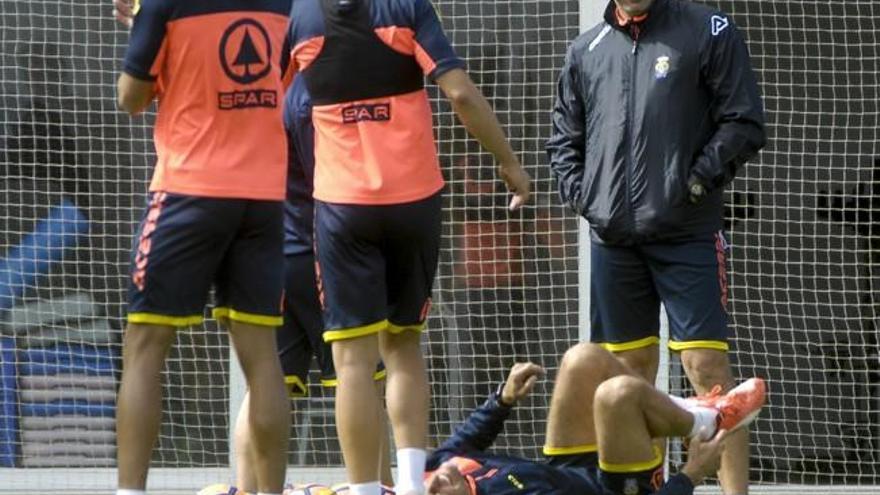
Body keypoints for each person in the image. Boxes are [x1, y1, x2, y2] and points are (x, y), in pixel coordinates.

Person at [286, 1, 532, 495]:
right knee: (402, 348)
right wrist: (508, 161)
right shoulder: (405, 5)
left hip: (341, 207)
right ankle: (412, 487)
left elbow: (270, 102)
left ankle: (365, 491)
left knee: (352, 363)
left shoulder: (297, 16)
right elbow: (460, 93)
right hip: (413, 203)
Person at [546, 0, 767, 492]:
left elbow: (744, 121)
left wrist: (692, 184)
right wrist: (587, 199)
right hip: (613, 242)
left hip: (687, 232)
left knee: (706, 369)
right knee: (626, 378)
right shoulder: (586, 49)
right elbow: (563, 139)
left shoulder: (709, 29)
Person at [114, 1, 293, 494]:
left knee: (145, 347)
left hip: (188, 191)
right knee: (262, 358)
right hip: (262, 198)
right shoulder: (286, 4)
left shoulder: (163, 3)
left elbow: (131, 97)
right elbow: (275, 79)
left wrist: (146, 34)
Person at [233, 75, 396, 489]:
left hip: (271, 258)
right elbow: (335, 180)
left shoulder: (261, 92)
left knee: (265, 385)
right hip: (322, 257)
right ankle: (376, 486)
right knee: (361, 377)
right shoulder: (316, 92)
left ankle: (246, 487)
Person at [423, 343, 766, 495]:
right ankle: (705, 424)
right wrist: (690, 476)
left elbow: (461, 445)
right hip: (616, 489)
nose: (435, 481)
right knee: (615, 395)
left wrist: (502, 399)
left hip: (563, 473)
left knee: (581, 359)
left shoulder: (430, 472)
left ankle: (689, 413)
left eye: (426, 486)